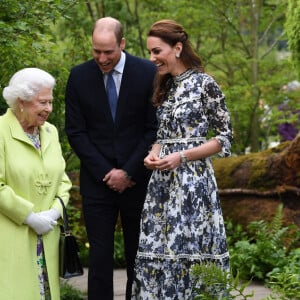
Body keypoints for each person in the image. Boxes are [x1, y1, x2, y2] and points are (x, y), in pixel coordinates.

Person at [132, 19, 233, 299]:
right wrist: (153, 153)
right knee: (158, 251)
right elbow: (162, 136)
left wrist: (182, 156)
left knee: (189, 251)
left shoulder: (204, 84)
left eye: (156, 51)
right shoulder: (165, 86)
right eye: (149, 52)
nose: (151, 58)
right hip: (162, 186)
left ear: (177, 48)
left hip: (193, 185)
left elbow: (224, 137)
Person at [65, 17, 157, 300]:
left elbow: (152, 128)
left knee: (138, 257)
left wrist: (128, 172)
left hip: (138, 181)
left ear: (123, 44)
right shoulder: (79, 77)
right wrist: (108, 172)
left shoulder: (148, 72)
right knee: (100, 259)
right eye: (96, 51)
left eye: (108, 52)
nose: (102, 58)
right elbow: (76, 132)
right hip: (97, 182)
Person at [0, 68, 72, 299]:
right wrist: (29, 217)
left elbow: (63, 180)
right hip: (11, 238)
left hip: (47, 237)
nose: (49, 109)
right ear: (21, 101)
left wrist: (53, 213)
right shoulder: (1, 131)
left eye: (50, 102)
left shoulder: (50, 132)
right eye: (43, 102)